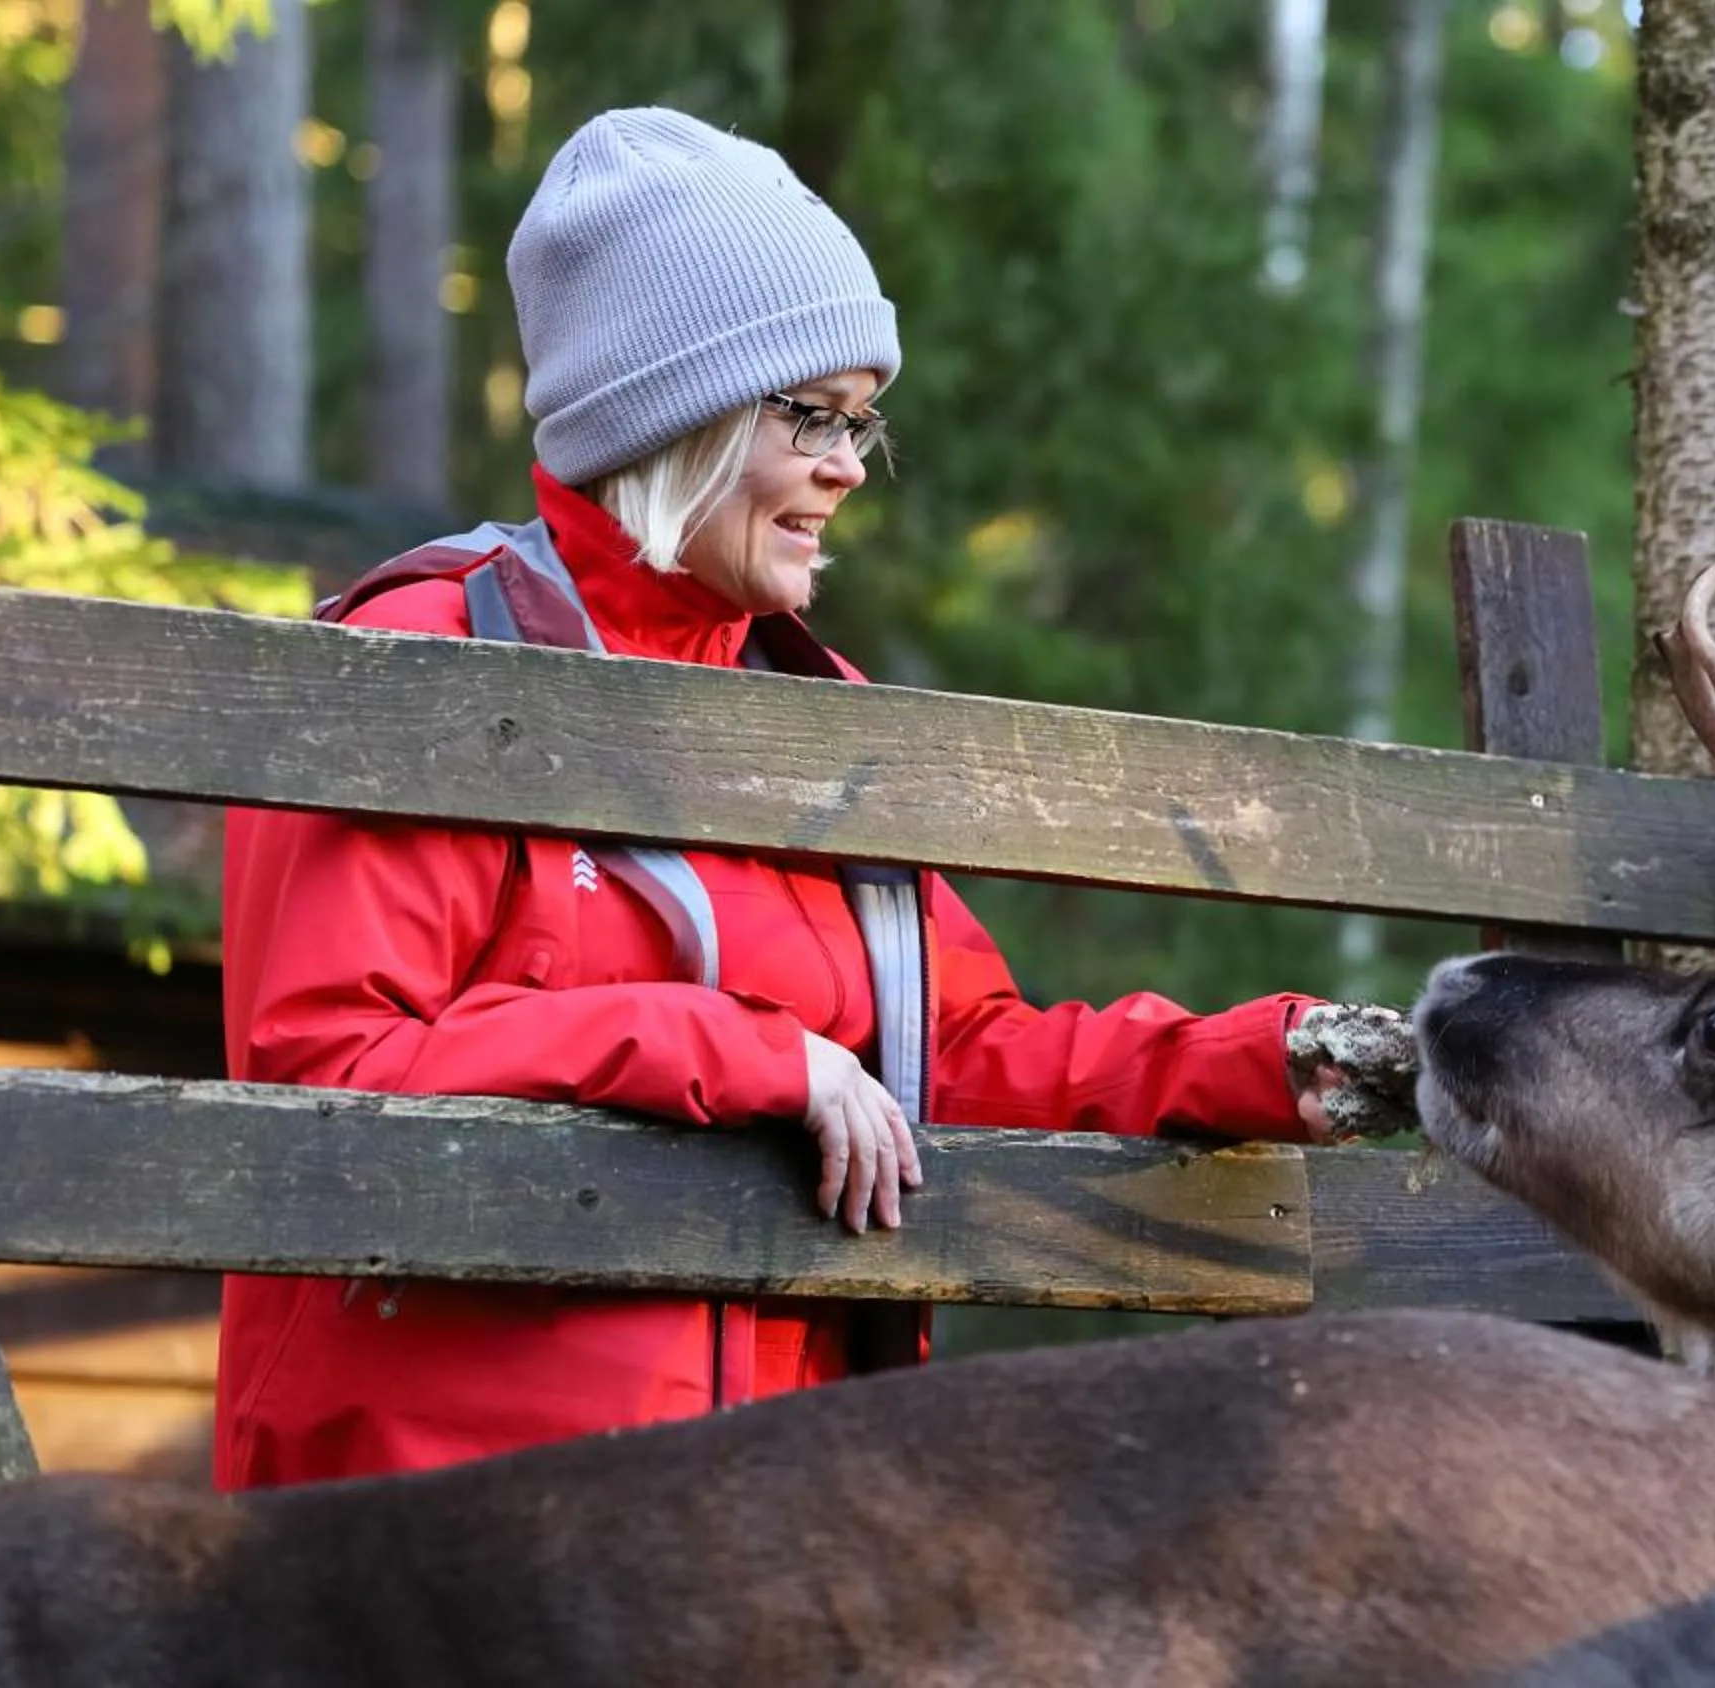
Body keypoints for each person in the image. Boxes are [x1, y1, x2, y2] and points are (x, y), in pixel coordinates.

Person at [212, 107, 1408, 1492]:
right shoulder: (427, 655)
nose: (848, 468)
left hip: (767, 1509)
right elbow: (333, 1079)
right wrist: (748, 1051)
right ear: (678, 411)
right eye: (811, 417)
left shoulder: (815, 709)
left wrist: (1254, 1066)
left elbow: (948, 1050)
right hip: (449, 1523)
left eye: (861, 423)